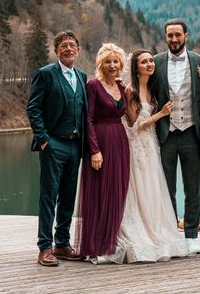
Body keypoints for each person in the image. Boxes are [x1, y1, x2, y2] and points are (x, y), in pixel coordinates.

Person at [100, 49, 190, 263]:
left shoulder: (152, 88)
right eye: (144, 62)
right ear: (136, 67)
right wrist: (161, 114)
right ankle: (137, 234)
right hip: (136, 145)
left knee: (152, 188)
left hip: (151, 145)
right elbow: (135, 124)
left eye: (151, 61)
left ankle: (157, 231)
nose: (150, 64)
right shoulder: (130, 90)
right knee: (138, 187)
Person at [27, 31, 86, 267]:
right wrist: (43, 140)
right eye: (64, 45)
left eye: (72, 45)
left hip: (75, 144)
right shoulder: (45, 74)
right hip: (54, 144)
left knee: (68, 197)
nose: (69, 49)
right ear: (56, 50)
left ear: (78, 50)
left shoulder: (81, 76)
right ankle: (45, 247)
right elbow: (33, 108)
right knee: (49, 196)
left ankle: (62, 243)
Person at [154, 19, 200, 254]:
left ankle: (191, 236)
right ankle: (169, 236)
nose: (173, 39)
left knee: (192, 188)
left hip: (191, 134)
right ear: (165, 37)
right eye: (169, 35)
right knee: (166, 190)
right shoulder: (155, 62)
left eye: (177, 35)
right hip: (165, 134)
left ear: (186, 35)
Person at [75, 43, 130, 259]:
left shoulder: (122, 87)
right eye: (108, 62)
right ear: (101, 64)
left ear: (121, 64)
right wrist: (94, 150)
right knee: (98, 193)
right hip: (100, 142)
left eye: (115, 61)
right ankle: (93, 246)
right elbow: (87, 119)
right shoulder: (93, 86)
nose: (112, 65)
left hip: (119, 142)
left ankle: (109, 242)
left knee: (116, 192)